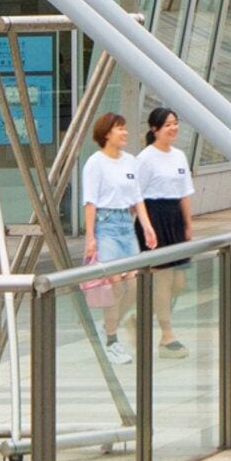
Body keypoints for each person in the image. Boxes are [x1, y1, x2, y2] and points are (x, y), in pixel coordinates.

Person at [77, 111, 143, 346]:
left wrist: (146, 226)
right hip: (106, 225)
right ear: (106, 133)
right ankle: (112, 340)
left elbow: (137, 198)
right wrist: (90, 237)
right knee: (114, 286)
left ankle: (110, 325)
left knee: (133, 286)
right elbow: (90, 203)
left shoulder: (130, 161)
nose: (125, 133)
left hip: (126, 223)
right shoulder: (95, 163)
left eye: (125, 128)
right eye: (120, 128)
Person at [136, 106, 198, 356]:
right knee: (162, 278)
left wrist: (188, 224)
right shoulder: (145, 158)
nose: (173, 128)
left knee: (179, 281)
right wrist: (145, 226)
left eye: (175, 123)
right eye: (168, 125)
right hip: (153, 217)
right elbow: (136, 195)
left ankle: (144, 317)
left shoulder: (179, 156)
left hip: (174, 218)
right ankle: (167, 334)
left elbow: (184, 193)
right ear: (155, 129)